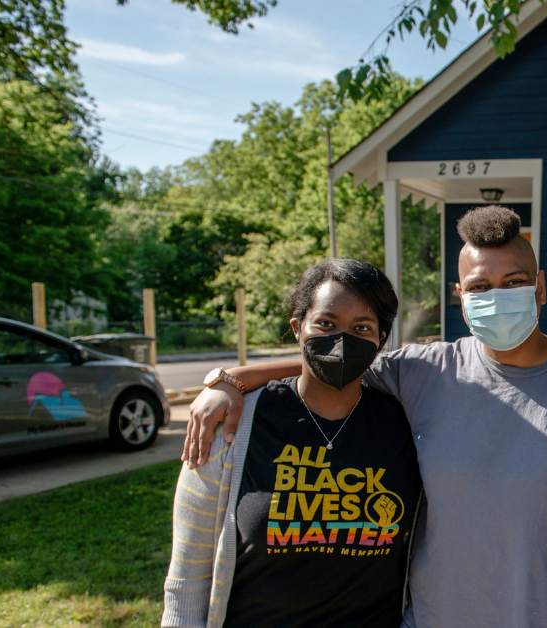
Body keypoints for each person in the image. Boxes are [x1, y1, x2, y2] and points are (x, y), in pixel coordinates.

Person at [181, 205, 547, 628]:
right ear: (458, 294)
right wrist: (228, 379)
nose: (496, 296)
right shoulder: (419, 372)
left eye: (514, 281)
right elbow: (336, 355)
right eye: (480, 286)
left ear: (542, 287)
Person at [163, 258, 421, 628]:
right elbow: (188, 579)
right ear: (297, 327)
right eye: (326, 324)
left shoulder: (406, 427)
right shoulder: (232, 426)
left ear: (381, 339)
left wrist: (231, 376)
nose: (342, 340)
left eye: (361, 327)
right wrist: (228, 382)